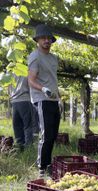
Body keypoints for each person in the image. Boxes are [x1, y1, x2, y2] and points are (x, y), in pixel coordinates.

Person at [27, 24, 60, 177]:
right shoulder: (35, 56)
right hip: (41, 99)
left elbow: (52, 78)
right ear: (38, 40)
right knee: (46, 134)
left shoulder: (53, 58)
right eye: (43, 38)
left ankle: (48, 164)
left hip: (54, 99)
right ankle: (42, 167)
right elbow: (31, 80)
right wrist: (43, 89)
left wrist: (55, 93)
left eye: (49, 38)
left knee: (53, 134)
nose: (47, 40)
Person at [10, 76, 33, 150]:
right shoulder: (26, 71)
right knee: (27, 125)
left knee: (17, 125)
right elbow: (31, 85)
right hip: (25, 100)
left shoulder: (9, 72)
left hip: (14, 101)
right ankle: (28, 147)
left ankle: (20, 146)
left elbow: (7, 87)